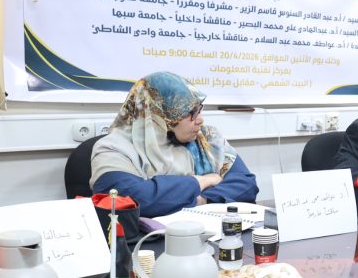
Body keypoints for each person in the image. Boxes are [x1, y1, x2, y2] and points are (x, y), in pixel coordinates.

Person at [91, 72, 259, 217]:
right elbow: (133, 199)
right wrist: (201, 181)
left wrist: (203, 200)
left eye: (199, 110)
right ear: (160, 117)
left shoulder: (207, 139)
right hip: (147, 248)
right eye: (191, 113)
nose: (200, 120)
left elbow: (246, 184)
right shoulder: (113, 148)